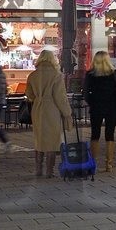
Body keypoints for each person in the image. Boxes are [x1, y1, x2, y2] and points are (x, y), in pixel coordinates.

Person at [26, 48, 74, 177]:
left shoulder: (33, 75)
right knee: (52, 141)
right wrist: (67, 113)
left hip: (37, 109)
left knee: (39, 139)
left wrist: (37, 98)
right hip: (52, 109)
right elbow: (60, 97)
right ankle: (49, 171)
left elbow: (29, 94)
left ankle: (38, 169)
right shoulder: (56, 75)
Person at [84, 50, 116, 171]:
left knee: (95, 135)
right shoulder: (113, 74)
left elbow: (86, 93)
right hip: (111, 107)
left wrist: (92, 102)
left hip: (96, 107)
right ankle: (109, 164)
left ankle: (93, 163)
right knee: (110, 135)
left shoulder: (90, 75)